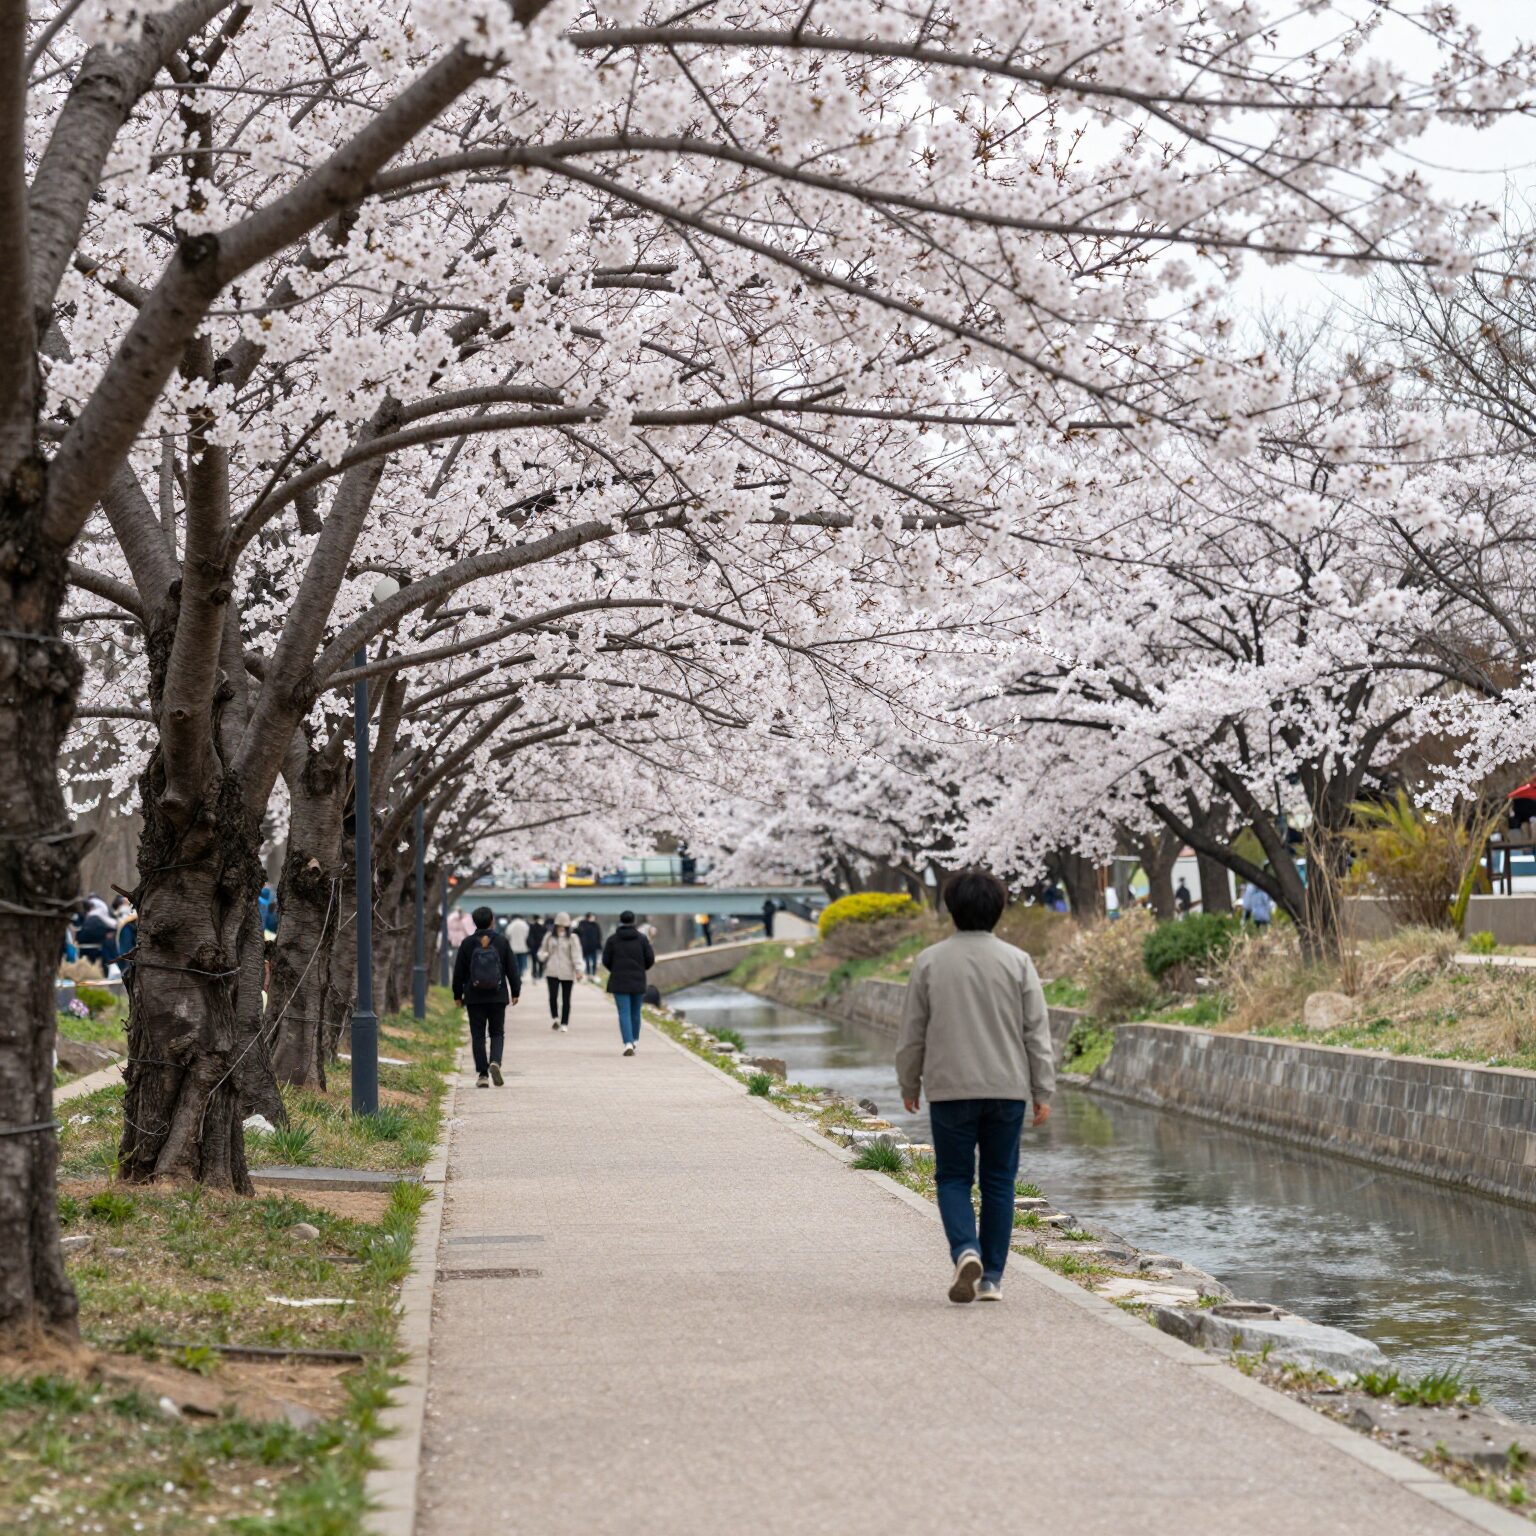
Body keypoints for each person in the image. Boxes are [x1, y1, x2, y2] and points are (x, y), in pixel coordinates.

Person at [897, 868, 1054, 1305]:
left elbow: (913, 1032)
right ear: (999, 910)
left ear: (951, 909)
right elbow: (1035, 1033)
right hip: (1007, 1089)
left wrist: (909, 1081)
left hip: (950, 1089)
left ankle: (966, 1250)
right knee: (1000, 1182)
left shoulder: (929, 961)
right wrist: (1043, 1091)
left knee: (952, 1178)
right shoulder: (1018, 961)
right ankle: (992, 1279)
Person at [452, 905, 521, 1087]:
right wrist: (515, 991)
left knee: (478, 1035)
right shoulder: (501, 941)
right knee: (497, 1032)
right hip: (498, 995)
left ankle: (482, 1075)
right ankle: (495, 1061)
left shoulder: (467, 943)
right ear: (492, 921)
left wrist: (457, 994)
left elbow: (458, 971)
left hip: (474, 997)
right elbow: (512, 968)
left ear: (474, 922)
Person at [601, 909, 654, 1057]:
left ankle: (628, 1043)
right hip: (638, 980)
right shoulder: (642, 939)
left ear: (620, 921)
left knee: (624, 1012)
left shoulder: (612, 940)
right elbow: (650, 959)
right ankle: (635, 1040)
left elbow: (606, 960)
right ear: (634, 921)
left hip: (619, 981)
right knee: (636, 1012)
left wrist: (615, 969)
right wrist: (641, 969)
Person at [540, 911, 583, 1031]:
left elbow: (576, 955)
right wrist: (544, 955)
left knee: (566, 999)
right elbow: (542, 951)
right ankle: (555, 1018)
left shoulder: (572, 938)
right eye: (559, 925)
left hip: (567, 971)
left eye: (564, 925)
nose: (562, 928)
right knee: (552, 997)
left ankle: (565, 1023)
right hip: (552, 970)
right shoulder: (549, 936)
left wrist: (578, 970)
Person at [75, 896, 117, 976]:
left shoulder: (90, 917)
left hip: (86, 950)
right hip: (94, 951)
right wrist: (104, 935)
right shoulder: (95, 918)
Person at [506, 913, 531, 977]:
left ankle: (516, 974)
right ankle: (521, 973)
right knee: (522, 963)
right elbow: (527, 935)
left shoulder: (511, 925)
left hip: (513, 948)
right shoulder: (524, 924)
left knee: (515, 963)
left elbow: (507, 935)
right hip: (523, 947)